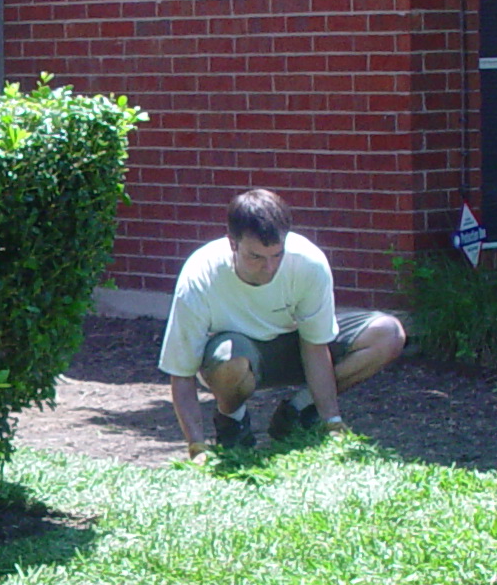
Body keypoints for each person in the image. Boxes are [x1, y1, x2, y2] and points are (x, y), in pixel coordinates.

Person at [158, 189, 407, 455]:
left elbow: (315, 345)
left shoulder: (308, 262)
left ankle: (298, 412)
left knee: (388, 334)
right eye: (256, 257)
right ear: (232, 242)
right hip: (235, 361)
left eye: (277, 255)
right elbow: (181, 372)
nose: (269, 268)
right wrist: (196, 446)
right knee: (230, 360)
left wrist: (332, 422)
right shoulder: (199, 276)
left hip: (296, 347)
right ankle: (233, 422)